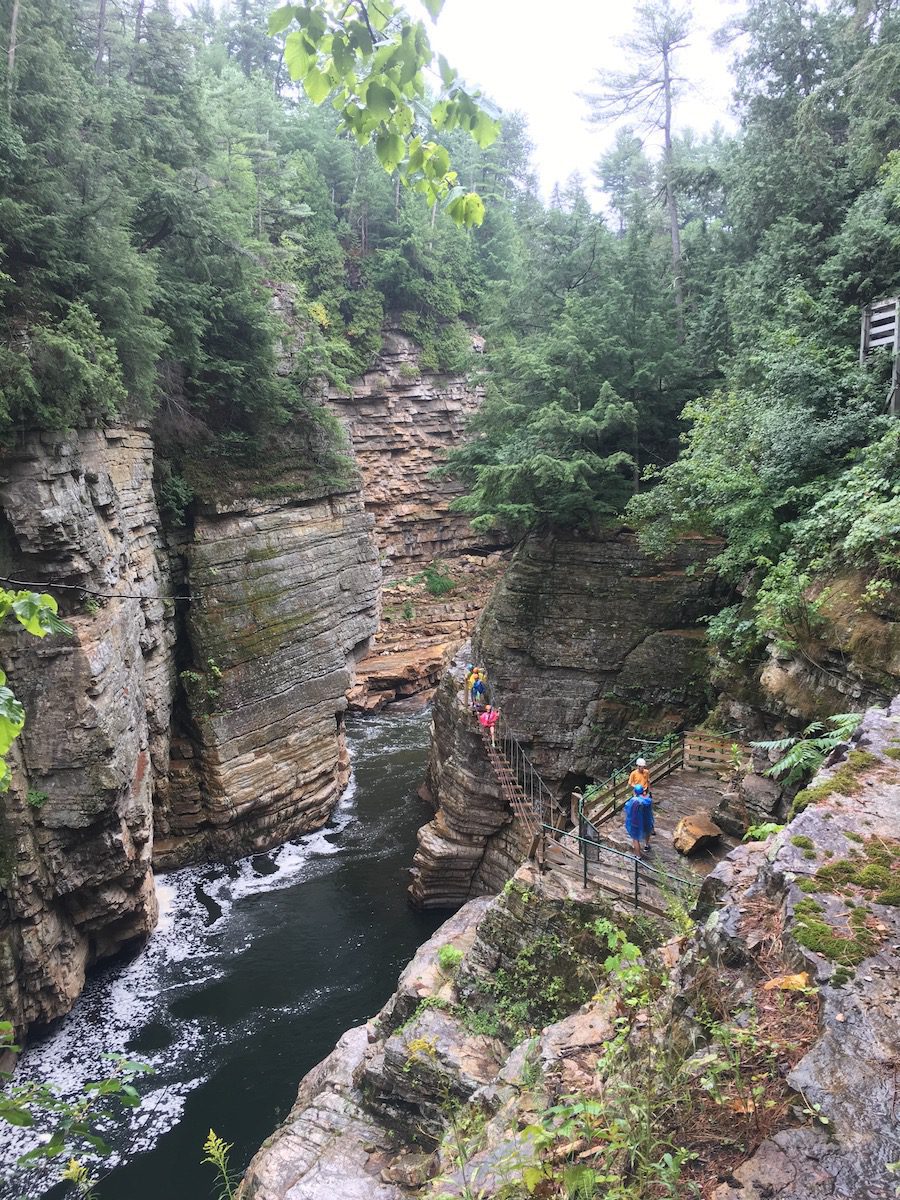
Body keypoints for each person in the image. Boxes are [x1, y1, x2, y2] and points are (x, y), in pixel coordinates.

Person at [624, 784, 653, 856]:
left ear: (635, 792)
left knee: (635, 838)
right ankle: (646, 845)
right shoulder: (648, 799)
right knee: (647, 831)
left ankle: (638, 856)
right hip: (646, 819)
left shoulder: (634, 800)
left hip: (636, 821)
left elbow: (627, 807)